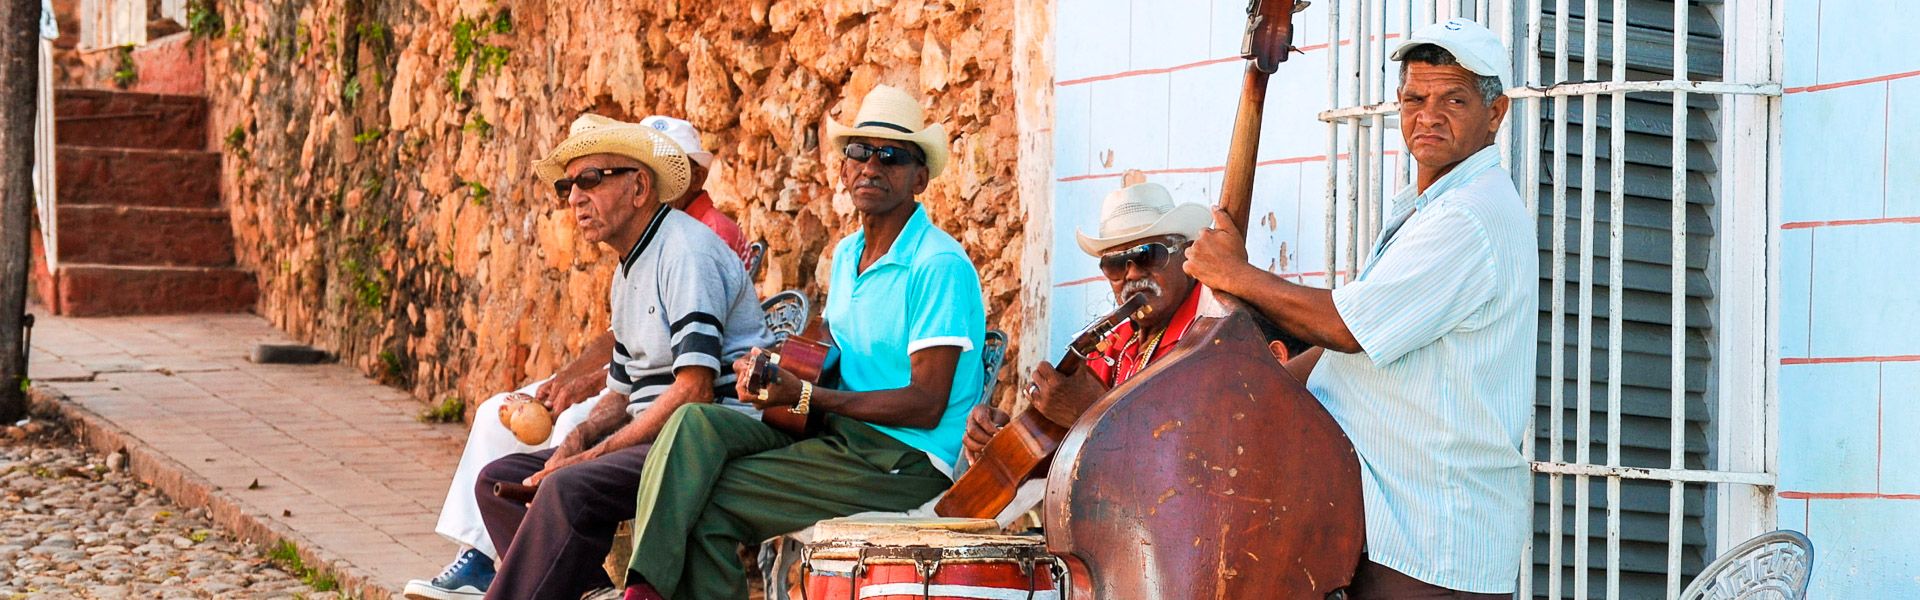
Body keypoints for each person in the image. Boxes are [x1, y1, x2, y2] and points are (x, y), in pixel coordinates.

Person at [1183, 18, 1535, 599]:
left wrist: (1234, 274)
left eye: (1454, 99)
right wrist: (1263, 388)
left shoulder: (1469, 217)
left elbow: (1350, 327)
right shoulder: (1432, 206)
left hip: (1430, 541)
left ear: (1494, 115)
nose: (1429, 116)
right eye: (1415, 98)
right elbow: (1363, 342)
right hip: (1397, 525)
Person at [613, 84, 986, 600]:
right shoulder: (850, 251)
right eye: (859, 151)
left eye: (892, 156)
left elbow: (925, 405)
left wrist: (807, 396)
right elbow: (830, 339)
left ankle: (642, 590)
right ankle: (645, 585)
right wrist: (771, 366)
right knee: (693, 419)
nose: (871, 166)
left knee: (709, 506)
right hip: (837, 434)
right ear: (844, 168)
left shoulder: (937, 265)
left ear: (919, 177)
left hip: (902, 461)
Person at [403, 114, 765, 600]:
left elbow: (694, 390)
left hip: (700, 438)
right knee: (500, 481)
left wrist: (588, 457)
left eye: (591, 180)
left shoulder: (685, 251)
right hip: (654, 433)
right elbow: (620, 394)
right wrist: (575, 441)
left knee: (563, 486)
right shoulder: (627, 268)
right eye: (568, 186)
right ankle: (593, 593)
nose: (574, 197)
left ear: (639, 187)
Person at [960, 181, 1307, 467]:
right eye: (1115, 264)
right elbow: (1079, 458)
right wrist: (1012, 443)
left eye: (1147, 255)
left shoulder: (1216, 326)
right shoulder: (1115, 340)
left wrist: (1088, 412)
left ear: (1184, 253)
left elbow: (1199, 458)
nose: (1133, 274)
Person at [638, 115, 753, 265]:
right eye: (649, 172)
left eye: (666, 172)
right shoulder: (676, 228)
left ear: (697, 178)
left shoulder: (710, 235)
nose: (652, 184)